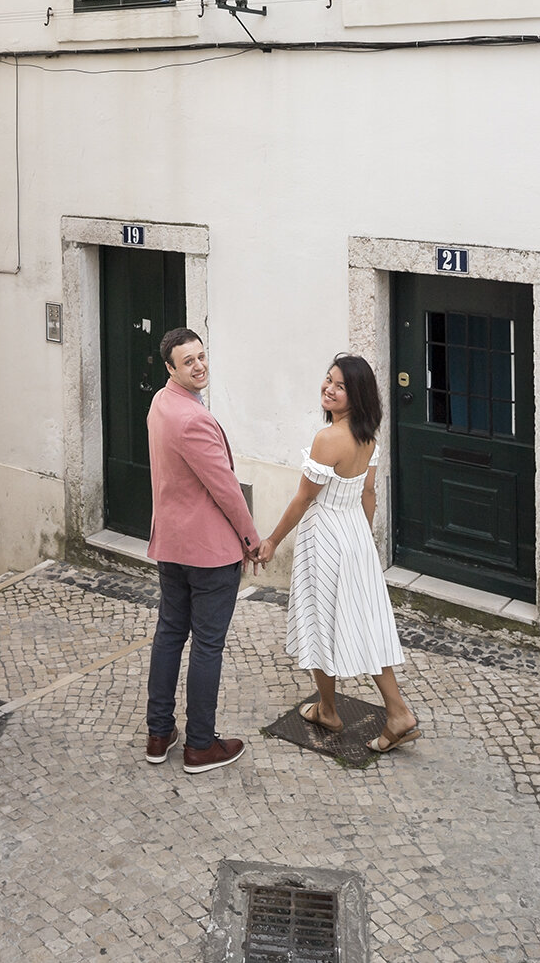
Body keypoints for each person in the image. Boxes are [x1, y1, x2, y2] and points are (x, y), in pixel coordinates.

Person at [257, 354, 419, 755]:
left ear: (356, 395)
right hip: (355, 537)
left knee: (318, 619)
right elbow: (369, 496)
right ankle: (393, 712)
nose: (329, 389)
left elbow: (302, 499)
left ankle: (331, 710)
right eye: (328, 380)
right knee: (366, 622)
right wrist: (360, 541)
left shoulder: (328, 439)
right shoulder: (369, 438)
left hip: (324, 536)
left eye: (340, 386)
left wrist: (273, 541)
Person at [144, 326, 263, 775]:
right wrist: (251, 540)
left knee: (170, 634)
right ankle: (199, 745)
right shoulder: (193, 419)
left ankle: (159, 735)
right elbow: (226, 489)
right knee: (207, 645)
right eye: (188, 361)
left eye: (201, 356)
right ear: (171, 367)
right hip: (209, 553)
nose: (199, 366)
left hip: (171, 544)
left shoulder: (161, 403)